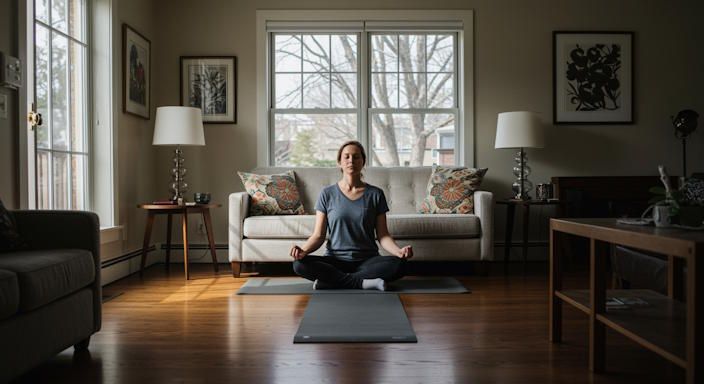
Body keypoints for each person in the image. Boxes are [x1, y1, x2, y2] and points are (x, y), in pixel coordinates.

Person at [290, 141, 413, 291]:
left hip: (368, 261)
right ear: (339, 162)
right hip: (334, 260)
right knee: (299, 265)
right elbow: (318, 235)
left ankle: (332, 281)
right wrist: (303, 251)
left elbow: (383, 235)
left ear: (363, 162)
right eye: (346, 157)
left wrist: (398, 251)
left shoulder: (375, 194)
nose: (351, 161)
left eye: (356, 157)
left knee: (399, 264)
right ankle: (364, 283)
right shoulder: (327, 194)